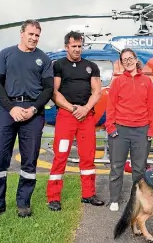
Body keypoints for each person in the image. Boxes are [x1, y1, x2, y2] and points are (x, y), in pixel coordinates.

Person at [0, 20, 54, 220]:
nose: (34, 38)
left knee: (29, 160)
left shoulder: (44, 59)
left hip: (33, 111)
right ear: (21, 33)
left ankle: (23, 203)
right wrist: (11, 107)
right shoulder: (5, 53)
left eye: (37, 35)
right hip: (8, 109)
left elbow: (48, 89)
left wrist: (33, 108)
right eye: (31, 34)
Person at [46, 31, 104, 211]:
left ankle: (88, 194)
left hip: (87, 117)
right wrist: (72, 109)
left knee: (88, 156)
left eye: (80, 46)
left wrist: (85, 109)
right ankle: (53, 197)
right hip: (66, 116)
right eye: (74, 46)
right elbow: (54, 93)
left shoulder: (91, 66)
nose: (77, 49)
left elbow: (97, 91)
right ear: (66, 47)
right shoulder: (59, 65)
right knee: (61, 155)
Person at [105, 48, 153, 212]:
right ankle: (114, 199)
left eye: (130, 58)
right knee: (116, 168)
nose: (127, 62)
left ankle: (137, 200)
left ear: (136, 60)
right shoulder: (118, 82)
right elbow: (110, 106)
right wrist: (110, 127)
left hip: (141, 131)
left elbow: (152, 108)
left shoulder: (147, 82)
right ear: (121, 64)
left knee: (139, 169)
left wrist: (152, 130)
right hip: (120, 131)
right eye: (124, 60)